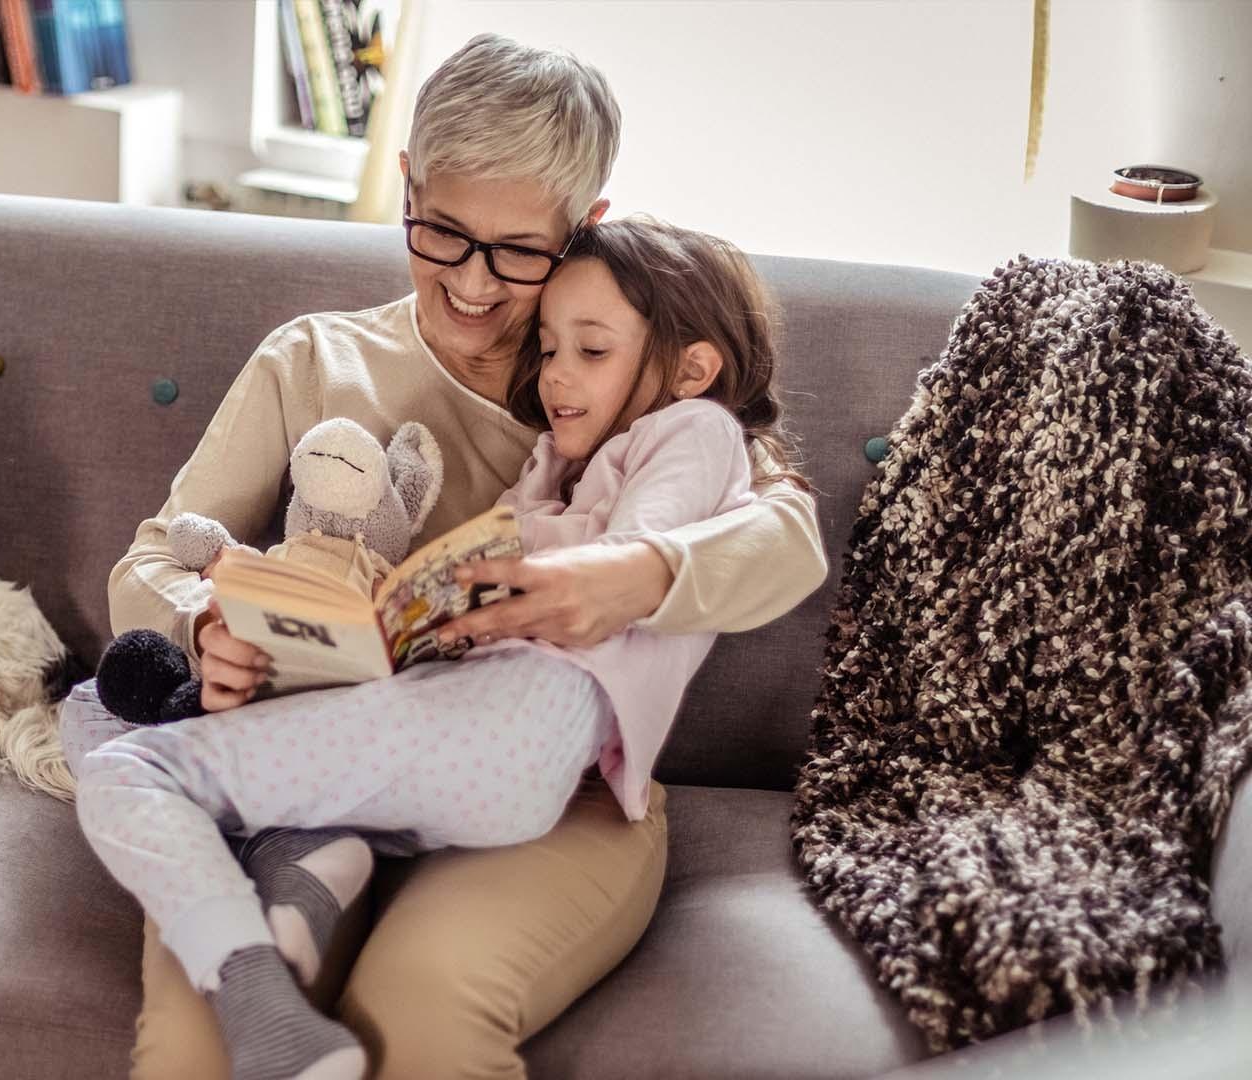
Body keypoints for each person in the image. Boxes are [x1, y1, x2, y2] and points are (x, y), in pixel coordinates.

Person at [63, 34, 828, 1079]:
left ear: (585, 229)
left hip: (559, 800)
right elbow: (153, 560)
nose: (473, 283)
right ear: (409, 188)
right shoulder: (314, 359)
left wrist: (632, 576)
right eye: (442, 232)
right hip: (315, 763)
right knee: (209, 1034)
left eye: (520, 251)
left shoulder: (619, 372)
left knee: (417, 1015)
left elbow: (784, 536)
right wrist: (204, 627)